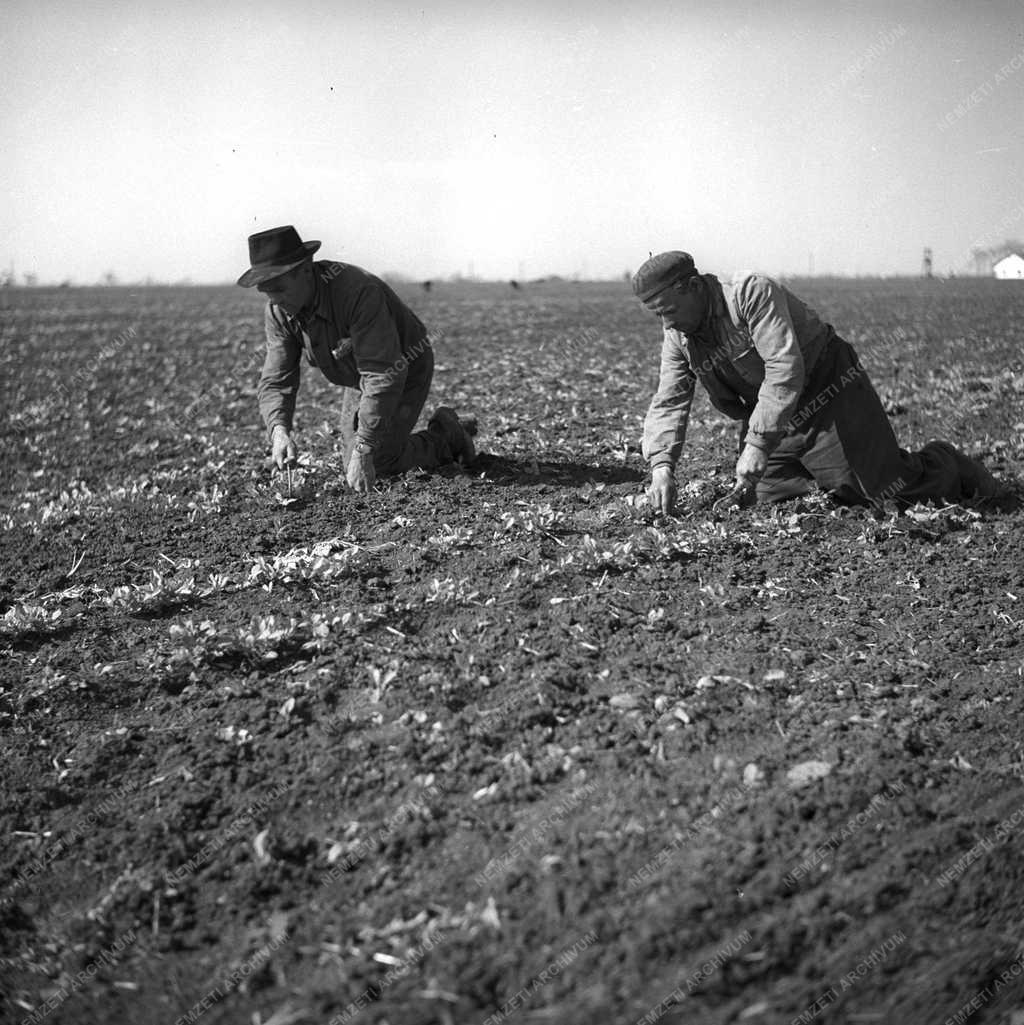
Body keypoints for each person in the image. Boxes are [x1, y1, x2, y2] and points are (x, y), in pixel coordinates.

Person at [633, 251, 1001, 515]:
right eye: (657, 316)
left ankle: (945, 462)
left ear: (694, 287)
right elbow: (669, 399)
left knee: (885, 495)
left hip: (827, 387)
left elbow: (783, 368)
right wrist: (662, 467)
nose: (666, 324)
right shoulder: (678, 335)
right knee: (766, 494)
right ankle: (827, 470)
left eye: (668, 311)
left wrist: (758, 444)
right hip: (774, 409)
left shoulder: (750, 293)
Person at [237, 225, 475, 492]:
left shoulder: (356, 292)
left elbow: (383, 373)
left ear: (305, 269)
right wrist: (279, 431)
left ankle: (448, 435)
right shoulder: (278, 310)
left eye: (279, 289)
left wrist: (365, 447)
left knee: (377, 460)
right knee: (357, 459)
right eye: (267, 291)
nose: (274, 300)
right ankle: (418, 440)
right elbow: (277, 378)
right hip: (359, 378)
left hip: (403, 365)